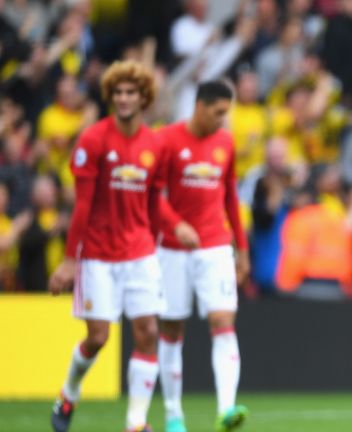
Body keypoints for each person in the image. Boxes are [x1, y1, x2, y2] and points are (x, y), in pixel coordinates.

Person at [48, 60, 165, 432]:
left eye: (131, 92)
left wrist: (172, 235)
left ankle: (135, 423)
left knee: (147, 331)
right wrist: (69, 260)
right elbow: (81, 204)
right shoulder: (93, 139)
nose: (124, 98)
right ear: (110, 96)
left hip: (141, 252)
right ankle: (69, 392)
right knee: (98, 338)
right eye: (118, 92)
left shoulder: (154, 144)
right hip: (97, 255)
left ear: (143, 97)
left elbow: (154, 203)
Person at [155, 80, 250, 432]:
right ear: (200, 106)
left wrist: (241, 249)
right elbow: (154, 194)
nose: (223, 120)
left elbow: (230, 197)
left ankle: (226, 409)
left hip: (214, 246)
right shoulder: (167, 140)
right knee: (171, 328)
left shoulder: (226, 142)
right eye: (219, 112)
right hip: (173, 249)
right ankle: (173, 414)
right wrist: (175, 224)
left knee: (224, 323)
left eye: (227, 113)